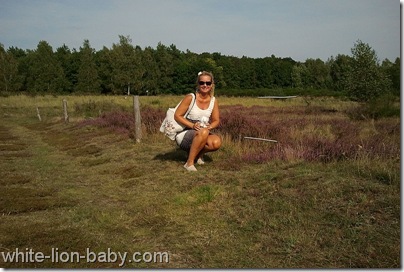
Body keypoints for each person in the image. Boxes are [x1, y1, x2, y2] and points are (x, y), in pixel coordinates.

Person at [174, 71, 222, 171]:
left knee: (216, 142)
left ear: (212, 85)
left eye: (208, 83)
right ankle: (189, 163)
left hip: (203, 132)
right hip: (185, 133)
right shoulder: (191, 97)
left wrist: (210, 127)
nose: (205, 85)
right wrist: (192, 125)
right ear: (198, 84)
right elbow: (177, 115)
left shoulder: (213, 100)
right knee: (204, 132)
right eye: (202, 83)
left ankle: (198, 154)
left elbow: (216, 120)